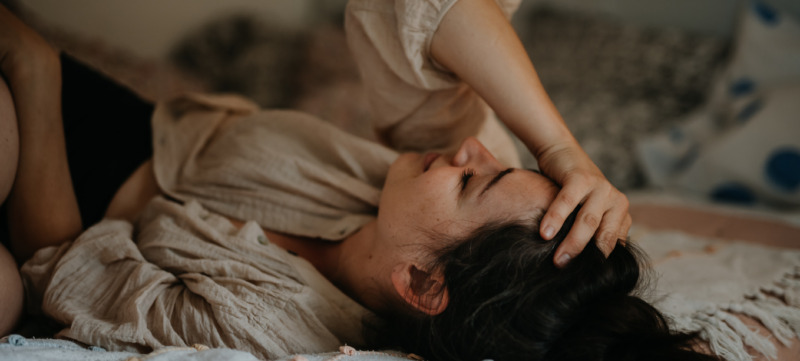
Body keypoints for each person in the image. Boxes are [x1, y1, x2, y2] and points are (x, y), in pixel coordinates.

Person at [0, 2, 717, 361]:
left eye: (475, 182)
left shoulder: (272, 324)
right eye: (503, 163)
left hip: (47, 179)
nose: (470, 148)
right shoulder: (415, 193)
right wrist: (559, 148)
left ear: (424, 286)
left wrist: (35, 74)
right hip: (110, 117)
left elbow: (58, 269)